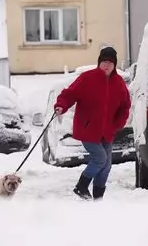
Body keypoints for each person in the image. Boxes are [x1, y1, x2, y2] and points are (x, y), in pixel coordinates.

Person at [54, 46, 131, 200]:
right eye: (104, 62)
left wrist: (118, 124)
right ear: (99, 63)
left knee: (106, 166)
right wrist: (61, 106)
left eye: (110, 62)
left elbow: (125, 106)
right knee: (100, 159)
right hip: (88, 129)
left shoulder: (118, 83)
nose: (107, 65)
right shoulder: (87, 78)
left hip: (107, 131)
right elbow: (70, 94)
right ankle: (81, 186)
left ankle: (98, 198)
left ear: (115, 65)